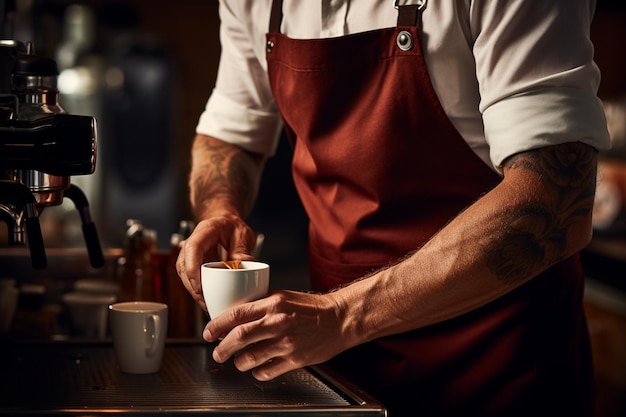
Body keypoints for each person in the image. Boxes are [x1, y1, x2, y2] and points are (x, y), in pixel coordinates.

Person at [176, 1, 611, 415]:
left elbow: (556, 196)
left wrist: (343, 315)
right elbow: (231, 130)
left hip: (498, 362)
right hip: (343, 364)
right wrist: (221, 210)